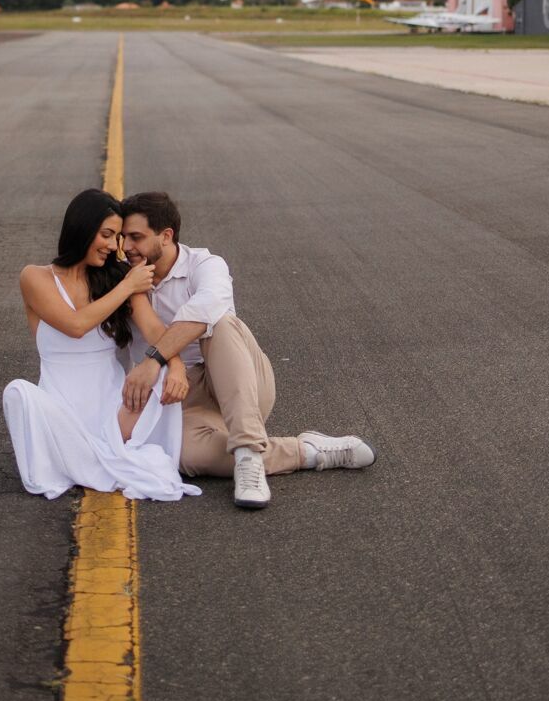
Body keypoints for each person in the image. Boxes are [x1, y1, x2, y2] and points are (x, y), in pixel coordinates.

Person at [118, 191, 376, 509]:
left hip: (236, 381)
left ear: (166, 235)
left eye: (136, 237)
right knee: (185, 457)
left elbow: (206, 308)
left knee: (218, 323)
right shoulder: (126, 280)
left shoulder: (205, 264)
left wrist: (154, 360)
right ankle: (306, 452)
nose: (127, 246)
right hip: (180, 401)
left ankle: (248, 453)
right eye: (122, 238)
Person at [2, 188, 201, 502]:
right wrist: (126, 286)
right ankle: (87, 455)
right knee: (18, 392)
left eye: (117, 237)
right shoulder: (36, 278)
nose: (113, 246)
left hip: (114, 410)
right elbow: (76, 325)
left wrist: (175, 367)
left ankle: (99, 453)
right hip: (62, 412)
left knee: (157, 371)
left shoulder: (118, 277)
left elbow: (154, 329)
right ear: (82, 228)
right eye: (107, 235)